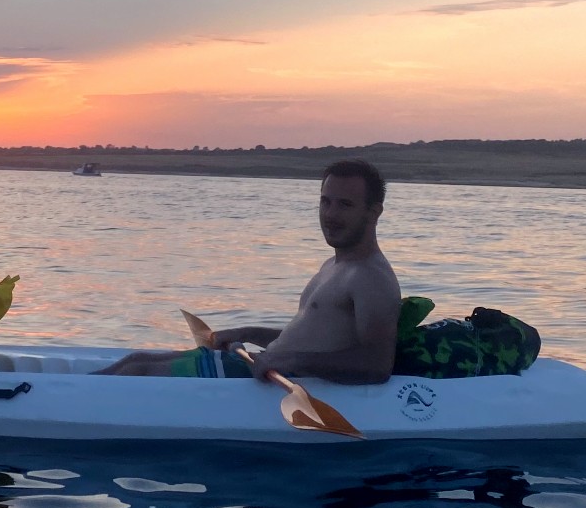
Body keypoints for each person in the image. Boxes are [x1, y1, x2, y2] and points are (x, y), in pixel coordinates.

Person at [96, 159, 400, 384]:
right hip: (257, 367)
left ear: (373, 212)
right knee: (134, 360)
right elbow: (309, 341)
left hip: (267, 382)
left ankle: (72, 406)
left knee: (138, 371)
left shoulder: (372, 278)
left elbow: (376, 364)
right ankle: (71, 397)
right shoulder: (334, 266)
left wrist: (291, 361)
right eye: (325, 201)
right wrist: (247, 333)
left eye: (345, 205)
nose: (330, 214)